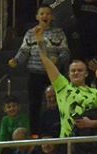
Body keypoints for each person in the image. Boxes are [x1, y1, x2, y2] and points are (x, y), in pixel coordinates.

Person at [9, 4, 70, 135]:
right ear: (37, 16)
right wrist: (16, 60)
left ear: (52, 16)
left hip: (54, 74)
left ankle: (62, 129)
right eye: (42, 14)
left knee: (60, 103)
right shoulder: (30, 33)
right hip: (35, 73)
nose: (45, 16)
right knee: (34, 105)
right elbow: (24, 51)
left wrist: (58, 60)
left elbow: (65, 51)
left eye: (47, 13)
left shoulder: (58, 32)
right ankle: (35, 133)